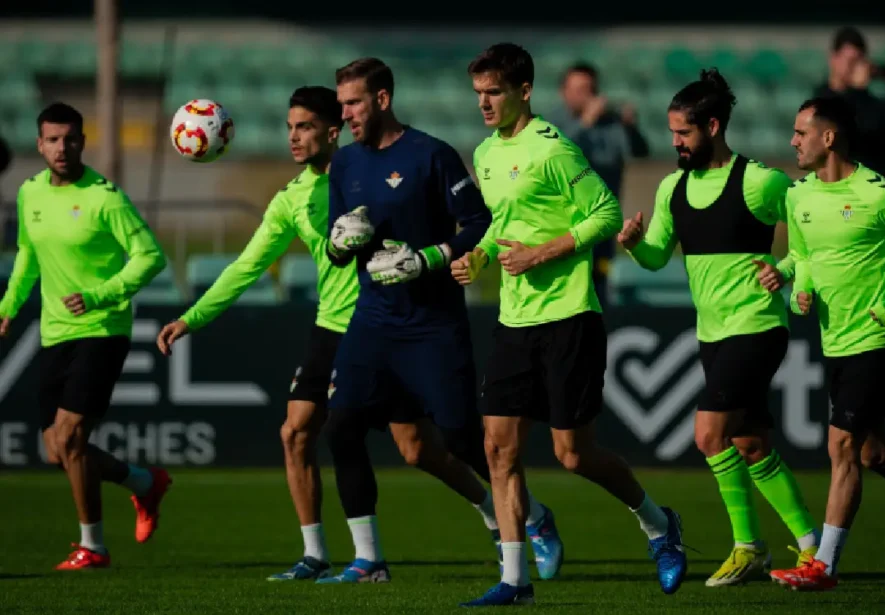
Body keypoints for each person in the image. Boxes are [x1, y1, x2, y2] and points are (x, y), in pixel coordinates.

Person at [453, 43, 686, 607]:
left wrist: (541, 254)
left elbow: (606, 211)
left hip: (570, 316)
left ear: (523, 92)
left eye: (495, 92)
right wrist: (478, 256)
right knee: (498, 450)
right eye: (479, 92)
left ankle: (659, 525)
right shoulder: (484, 153)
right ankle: (514, 580)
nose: (484, 102)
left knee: (573, 454)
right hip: (515, 319)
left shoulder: (553, 149)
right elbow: (499, 225)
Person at [322, 57, 563, 584]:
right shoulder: (344, 165)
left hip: (433, 325)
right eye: (341, 105)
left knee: (457, 440)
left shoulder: (430, 154)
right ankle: (368, 560)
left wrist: (430, 256)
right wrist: (338, 244)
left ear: (382, 99)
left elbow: (479, 222)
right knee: (340, 427)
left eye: (355, 103)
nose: (346, 115)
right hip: (374, 320)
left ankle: (533, 517)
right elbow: (338, 245)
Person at [616, 68, 820, 587]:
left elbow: (809, 233)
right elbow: (658, 257)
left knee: (708, 435)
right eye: (672, 134)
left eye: (683, 133)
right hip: (712, 333)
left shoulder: (762, 181)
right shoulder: (672, 188)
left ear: (712, 125)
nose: (675, 143)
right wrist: (634, 243)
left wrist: (791, 270)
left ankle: (747, 546)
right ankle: (813, 548)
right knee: (750, 445)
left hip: (756, 326)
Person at [156, 87, 357, 582]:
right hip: (332, 325)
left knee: (422, 446)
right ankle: (315, 555)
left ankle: (512, 516)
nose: (292, 136)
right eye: (289, 127)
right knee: (295, 433)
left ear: (334, 131)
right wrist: (192, 318)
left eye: (304, 126)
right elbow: (246, 267)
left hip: (387, 323)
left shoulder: (368, 174)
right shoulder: (291, 199)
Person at [769, 96, 885, 590]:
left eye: (800, 133)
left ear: (827, 138)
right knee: (875, 455)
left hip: (879, 339)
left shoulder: (881, 195)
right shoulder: (798, 195)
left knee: (842, 445)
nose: (792, 142)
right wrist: (796, 288)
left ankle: (823, 565)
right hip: (836, 342)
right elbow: (803, 258)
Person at [0, 103, 170, 569]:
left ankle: (92, 546)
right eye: (52, 139)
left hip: (102, 327)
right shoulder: (30, 193)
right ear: (39, 144)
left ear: (82, 141)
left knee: (72, 437)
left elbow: (150, 256)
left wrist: (101, 295)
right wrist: (9, 306)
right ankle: (142, 482)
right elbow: (27, 256)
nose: (62, 147)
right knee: (56, 449)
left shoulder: (104, 197)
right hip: (54, 332)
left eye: (70, 138)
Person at [552, 62, 649, 306]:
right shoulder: (551, 124)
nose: (585, 96)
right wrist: (585, 122)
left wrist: (630, 127)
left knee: (599, 289)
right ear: (563, 92)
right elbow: (557, 155)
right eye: (578, 90)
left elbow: (640, 152)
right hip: (563, 226)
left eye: (589, 89)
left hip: (602, 226)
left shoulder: (610, 124)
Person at [814, 26, 885, 183]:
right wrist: (857, 92)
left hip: (883, 197)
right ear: (833, 59)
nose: (854, 68)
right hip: (846, 198)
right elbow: (851, 129)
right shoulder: (822, 101)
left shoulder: (878, 106)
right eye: (850, 61)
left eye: (859, 61)